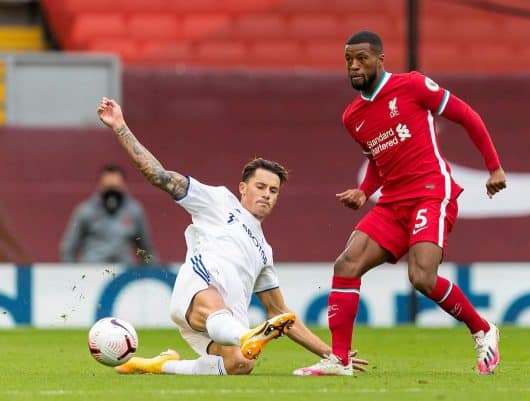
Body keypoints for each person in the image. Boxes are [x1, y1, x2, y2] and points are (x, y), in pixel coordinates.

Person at [96, 98, 367, 376]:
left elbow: (279, 313)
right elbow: (159, 176)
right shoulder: (218, 200)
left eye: (273, 191)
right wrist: (120, 126)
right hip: (198, 291)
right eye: (260, 186)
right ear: (242, 188)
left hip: (226, 323)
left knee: (240, 364)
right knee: (222, 315)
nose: (266, 194)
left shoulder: (264, 251)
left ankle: (162, 366)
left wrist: (331, 353)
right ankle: (244, 336)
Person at [294, 31, 507, 377]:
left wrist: (494, 166)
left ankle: (483, 329)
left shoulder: (413, 86)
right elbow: (379, 162)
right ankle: (340, 359)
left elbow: (467, 115)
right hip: (392, 202)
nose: (354, 65)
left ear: (380, 59)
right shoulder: (353, 117)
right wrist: (364, 191)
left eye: (361, 58)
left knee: (422, 277)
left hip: (429, 192)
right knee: (346, 264)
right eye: (348, 59)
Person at [60, 164, 156, 265]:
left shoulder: (134, 211)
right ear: (100, 186)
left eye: (115, 187)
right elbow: (68, 248)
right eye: (108, 187)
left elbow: (146, 249)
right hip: (92, 271)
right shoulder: (85, 211)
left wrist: (148, 274)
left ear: (123, 186)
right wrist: (73, 275)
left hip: (124, 272)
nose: (112, 193)